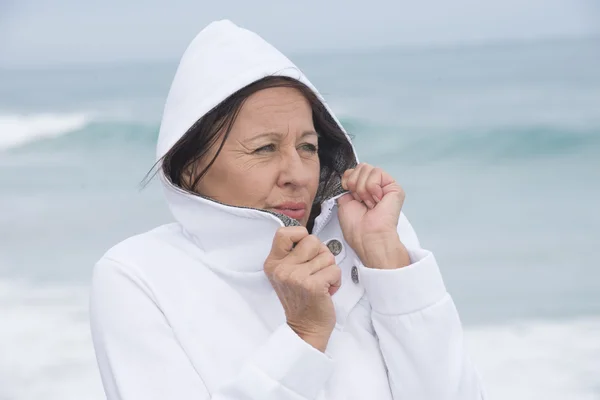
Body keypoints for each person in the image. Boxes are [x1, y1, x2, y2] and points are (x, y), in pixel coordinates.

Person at [90, 19, 485, 400]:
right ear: (190, 166)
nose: (298, 175)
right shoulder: (139, 275)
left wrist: (388, 263)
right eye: (265, 148)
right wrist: (304, 334)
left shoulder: (368, 242)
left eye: (308, 147)